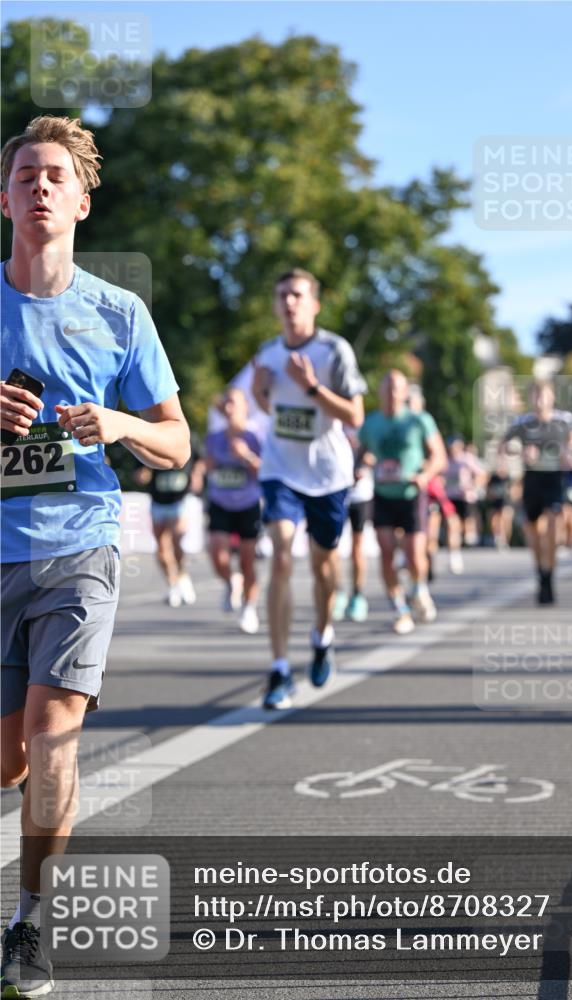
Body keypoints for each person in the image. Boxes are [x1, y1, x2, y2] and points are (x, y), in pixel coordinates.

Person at [0, 116, 189, 998]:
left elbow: (177, 444)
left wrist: (118, 424)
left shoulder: (120, 313)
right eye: (26, 174)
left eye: (55, 176)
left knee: (54, 735)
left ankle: (30, 925)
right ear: (3, 198)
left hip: (80, 544)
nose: (40, 186)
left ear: (81, 198)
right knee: (9, 762)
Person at [252, 269, 366, 709]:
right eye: (282, 295)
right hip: (280, 471)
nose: (289, 302)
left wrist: (313, 387)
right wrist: (262, 392)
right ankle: (279, 669)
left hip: (328, 475)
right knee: (281, 556)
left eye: (298, 295)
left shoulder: (333, 350)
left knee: (324, 568)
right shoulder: (267, 352)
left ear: (314, 303)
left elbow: (355, 415)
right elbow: (270, 405)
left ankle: (322, 635)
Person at [358, 370, 445, 634]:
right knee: (385, 553)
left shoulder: (419, 420)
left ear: (406, 392)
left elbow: (439, 456)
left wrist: (425, 475)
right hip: (383, 494)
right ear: (380, 392)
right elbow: (361, 454)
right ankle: (400, 609)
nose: (392, 393)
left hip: (411, 495)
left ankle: (419, 589)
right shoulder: (371, 423)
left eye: (397, 388)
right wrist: (361, 466)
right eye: (387, 387)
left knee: (414, 555)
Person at [501, 381, 572, 605]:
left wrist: (568, 451)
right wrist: (520, 451)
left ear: (552, 397)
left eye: (543, 395)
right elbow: (506, 445)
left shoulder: (563, 420)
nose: (539, 400)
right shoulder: (523, 423)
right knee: (533, 531)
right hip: (532, 479)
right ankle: (540, 570)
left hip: (554, 478)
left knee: (553, 527)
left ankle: (549, 575)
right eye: (535, 396)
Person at [205, 387, 263, 633]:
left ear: (245, 408)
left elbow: (265, 472)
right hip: (220, 501)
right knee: (218, 556)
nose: (229, 408)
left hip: (248, 503)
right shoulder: (214, 438)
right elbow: (209, 468)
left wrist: (246, 456)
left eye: (234, 404)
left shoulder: (254, 437)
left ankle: (249, 608)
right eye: (226, 403)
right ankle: (231, 582)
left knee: (248, 563)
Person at [135, 451, 205, 607]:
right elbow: (140, 473)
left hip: (179, 500)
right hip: (158, 501)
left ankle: (182, 574)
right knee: (161, 547)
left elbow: (200, 460)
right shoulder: (146, 437)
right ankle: (172, 584)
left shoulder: (187, 435)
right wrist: (143, 474)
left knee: (177, 539)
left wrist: (197, 474)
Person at [332, 428, 374, 623]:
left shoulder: (365, 426)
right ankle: (338, 593)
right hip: (337, 492)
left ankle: (358, 594)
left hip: (360, 496)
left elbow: (374, 454)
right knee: (334, 547)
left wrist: (367, 463)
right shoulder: (332, 420)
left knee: (357, 547)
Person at [443, 436, 484, 574]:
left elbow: (481, 474)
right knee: (451, 525)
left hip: (465, 497)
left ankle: (469, 534)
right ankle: (454, 555)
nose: (453, 450)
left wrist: (473, 487)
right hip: (449, 498)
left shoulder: (466, 459)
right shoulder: (444, 460)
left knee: (465, 523)